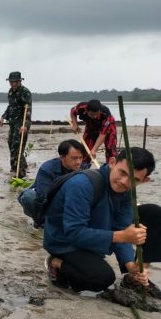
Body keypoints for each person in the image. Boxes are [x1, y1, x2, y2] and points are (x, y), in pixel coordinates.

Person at [43, 147, 154, 293]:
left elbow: (122, 227)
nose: (124, 182)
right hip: (64, 241)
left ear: (145, 180)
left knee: (154, 213)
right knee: (102, 278)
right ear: (112, 162)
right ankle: (55, 262)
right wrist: (121, 236)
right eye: (122, 173)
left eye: (135, 180)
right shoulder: (82, 184)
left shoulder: (126, 191)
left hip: (93, 238)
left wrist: (131, 267)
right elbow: (74, 232)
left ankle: (134, 271)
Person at [18, 139, 86, 226]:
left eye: (81, 158)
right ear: (62, 157)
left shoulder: (83, 169)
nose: (78, 162)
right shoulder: (47, 169)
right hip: (49, 201)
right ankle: (40, 221)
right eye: (74, 158)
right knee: (28, 196)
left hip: (71, 204)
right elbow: (44, 197)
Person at [0, 71, 32, 178]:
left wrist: (25, 125)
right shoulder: (11, 92)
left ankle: (19, 172)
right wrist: (3, 117)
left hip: (21, 124)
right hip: (12, 123)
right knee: (11, 144)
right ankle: (23, 165)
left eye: (16, 82)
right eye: (11, 82)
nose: (13, 84)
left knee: (17, 147)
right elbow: (10, 107)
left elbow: (28, 110)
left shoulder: (25, 92)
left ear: (20, 81)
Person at [69, 99, 117, 167]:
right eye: (92, 114)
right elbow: (72, 111)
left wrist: (94, 150)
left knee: (110, 148)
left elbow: (102, 134)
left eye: (97, 114)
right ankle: (84, 167)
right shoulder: (81, 107)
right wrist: (75, 124)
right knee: (85, 148)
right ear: (86, 110)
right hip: (91, 125)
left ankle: (111, 167)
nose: (95, 116)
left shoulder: (106, 113)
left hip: (108, 127)